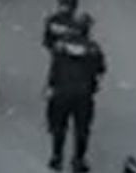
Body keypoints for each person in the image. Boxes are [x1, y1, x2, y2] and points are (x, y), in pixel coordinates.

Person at [45, 13, 105, 173]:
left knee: (59, 127)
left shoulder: (60, 46)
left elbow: (54, 69)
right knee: (82, 129)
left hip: (61, 92)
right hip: (83, 94)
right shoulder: (93, 49)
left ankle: (56, 158)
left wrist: (51, 87)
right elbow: (100, 69)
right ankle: (78, 161)